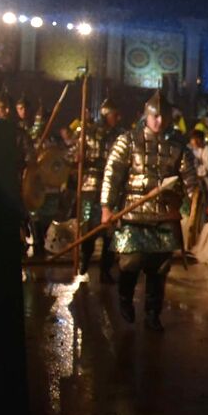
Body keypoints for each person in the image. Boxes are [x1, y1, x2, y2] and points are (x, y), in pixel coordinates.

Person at [101, 91, 198, 331]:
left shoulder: (178, 146)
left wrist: (190, 204)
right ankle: (125, 299)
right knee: (130, 261)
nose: (160, 121)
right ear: (147, 115)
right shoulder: (127, 141)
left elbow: (190, 180)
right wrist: (106, 207)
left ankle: (153, 314)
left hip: (164, 214)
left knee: (159, 267)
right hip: (133, 213)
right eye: (155, 116)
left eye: (164, 116)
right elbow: (112, 175)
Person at [68, 97, 126, 280]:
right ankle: (83, 265)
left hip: (113, 189)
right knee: (88, 229)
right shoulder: (88, 133)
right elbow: (71, 155)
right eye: (114, 115)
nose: (118, 118)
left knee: (110, 231)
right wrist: (78, 158)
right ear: (106, 114)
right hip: (90, 186)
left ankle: (105, 271)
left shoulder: (121, 136)